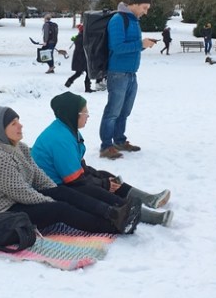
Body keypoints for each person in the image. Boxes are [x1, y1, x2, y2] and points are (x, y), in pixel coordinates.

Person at [0, 106, 141, 234]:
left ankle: (112, 213)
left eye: (18, 120)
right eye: (13, 123)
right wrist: (52, 201)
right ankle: (114, 227)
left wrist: (58, 193)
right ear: (0, 131)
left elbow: (39, 178)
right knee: (60, 209)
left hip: (16, 203)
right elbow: (23, 193)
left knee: (63, 192)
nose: (20, 125)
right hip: (0, 215)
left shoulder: (21, 148)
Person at [33, 92, 173, 226]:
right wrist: (104, 185)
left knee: (105, 177)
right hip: (53, 189)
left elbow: (80, 168)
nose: (88, 116)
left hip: (64, 182)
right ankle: (144, 215)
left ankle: (149, 199)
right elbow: (73, 179)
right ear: (73, 114)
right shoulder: (60, 138)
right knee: (97, 191)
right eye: (85, 112)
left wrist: (103, 180)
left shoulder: (68, 130)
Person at [98, 0, 156, 159]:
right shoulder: (118, 20)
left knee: (125, 111)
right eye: (144, 7)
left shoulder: (134, 21)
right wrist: (140, 44)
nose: (146, 12)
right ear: (135, 3)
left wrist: (143, 45)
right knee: (113, 111)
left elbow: (132, 47)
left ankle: (119, 140)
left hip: (131, 74)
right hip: (118, 73)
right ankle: (106, 146)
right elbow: (117, 47)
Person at [64, 24, 92, 92]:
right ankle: (87, 88)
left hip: (79, 58)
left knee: (79, 73)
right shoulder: (82, 38)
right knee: (88, 72)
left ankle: (69, 82)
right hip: (82, 58)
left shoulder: (79, 36)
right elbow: (82, 48)